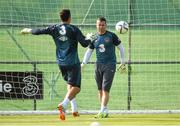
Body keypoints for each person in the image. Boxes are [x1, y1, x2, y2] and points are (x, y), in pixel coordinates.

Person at [20, 9, 94, 120]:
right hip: (73, 62)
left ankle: (74, 109)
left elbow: (39, 31)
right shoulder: (73, 29)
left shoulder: (54, 28)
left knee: (70, 83)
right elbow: (84, 44)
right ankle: (64, 104)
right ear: (70, 17)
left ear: (61, 18)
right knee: (77, 88)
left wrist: (28, 30)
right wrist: (90, 38)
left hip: (61, 62)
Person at [81, 17, 126, 118]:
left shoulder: (111, 36)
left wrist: (122, 62)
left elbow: (121, 48)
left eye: (103, 25)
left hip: (110, 65)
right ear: (96, 25)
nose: (101, 27)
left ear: (106, 25)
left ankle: (101, 110)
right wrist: (83, 63)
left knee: (105, 90)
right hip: (98, 65)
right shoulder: (94, 37)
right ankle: (104, 110)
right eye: (99, 25)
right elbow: (89, 51)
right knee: (100, 90)